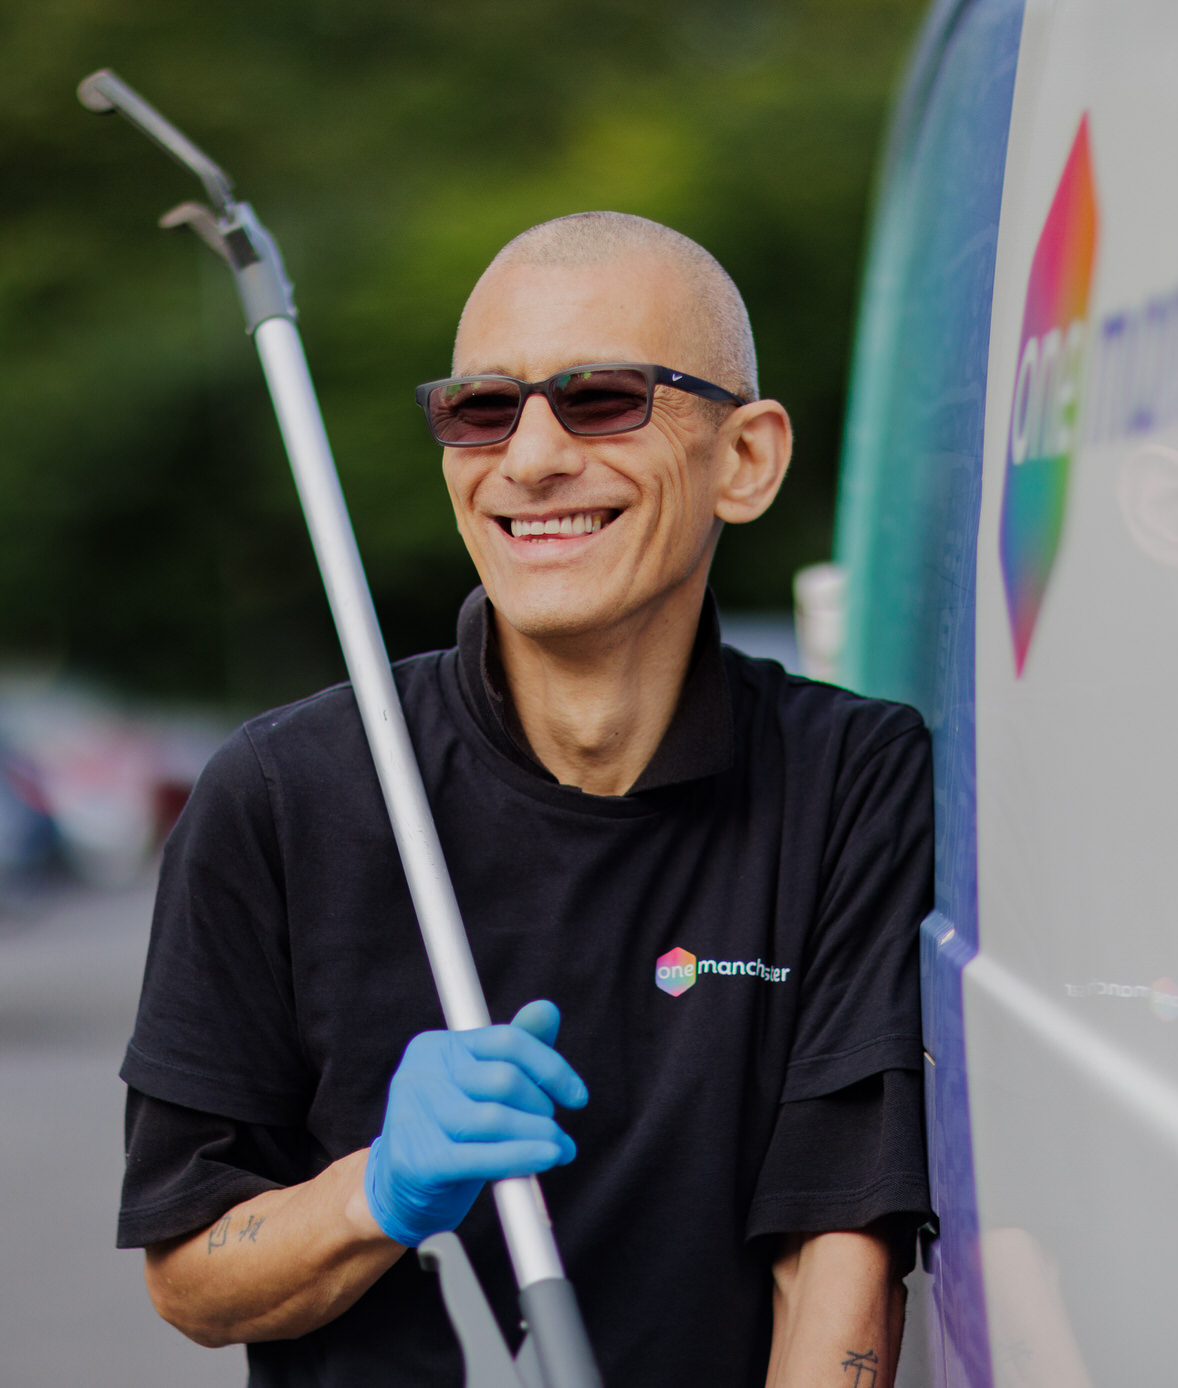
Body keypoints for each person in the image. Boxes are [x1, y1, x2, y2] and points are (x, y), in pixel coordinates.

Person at [116, 211, 934, 1388]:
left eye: (601, 399)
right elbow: (190, 1272)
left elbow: (837, 1253)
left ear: (745, 457)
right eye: (481, 409)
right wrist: (379, 1187)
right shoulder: (282, 793)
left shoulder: (851, 778)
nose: (531, 457)